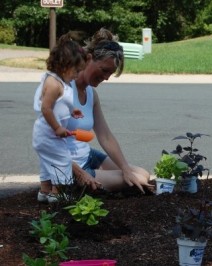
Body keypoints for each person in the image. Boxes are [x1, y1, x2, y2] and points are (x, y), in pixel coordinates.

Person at [66, 28, 153, 194]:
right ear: (89, 59)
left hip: (87, 156)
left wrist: (125, 169)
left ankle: (107, 184)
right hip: (69, 167)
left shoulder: (92, 94)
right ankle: (86, 187)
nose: (106, 78)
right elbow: (50, 144)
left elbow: (105, 136)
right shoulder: (63, 90)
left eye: (110, 74)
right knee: (138, 181)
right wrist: (80, 173)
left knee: (142, 174)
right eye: (104, 70)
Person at [32, 32, 86, 203]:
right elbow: (46, 108)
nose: (78, 75)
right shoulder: (54, 84)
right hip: (49, 133)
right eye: (77, 70)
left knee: (48, 162)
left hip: (47, 134)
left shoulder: (61, 81)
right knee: (62, 160)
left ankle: (45, 191)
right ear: (64, 65)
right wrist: (57, 127)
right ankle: (57, 195)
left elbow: (60, 104)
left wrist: (72, 111)